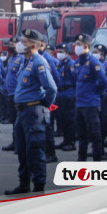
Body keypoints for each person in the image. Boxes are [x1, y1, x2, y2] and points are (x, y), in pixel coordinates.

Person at [5, 29, 57, 195]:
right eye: (21, 40)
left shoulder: (38, 62)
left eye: (24, 42)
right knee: (22, 149)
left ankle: (39, 187)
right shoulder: (24, 61)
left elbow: (52, 88)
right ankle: (24, 184)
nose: (20, 44)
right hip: (22, 112)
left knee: (35, 150)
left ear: (33, 45)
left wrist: (43, 106)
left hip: (34, 111)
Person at [74, 34, 107, 161]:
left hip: (90, 104)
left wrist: (95, 93)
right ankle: (81, 161)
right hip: (80, 104)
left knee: (95, 135)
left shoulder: (94, 62)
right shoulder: (78, 62)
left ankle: (97, 162)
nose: (76, 47)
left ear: (86, 46)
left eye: (78, 44)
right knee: (81, 135)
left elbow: (103, 81)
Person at [39, 35, 60, 163]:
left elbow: (56, 79)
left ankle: (51, 153)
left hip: (47, 97)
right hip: (40, 97)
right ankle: (45, 151)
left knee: (47, 126)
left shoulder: (46, 58)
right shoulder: (37, 57)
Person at [2, 37, 24, 152]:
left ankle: (20, 144)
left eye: (14, 43)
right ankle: (15, 142)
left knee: (19, 121)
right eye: (10, 43)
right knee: (13, 120)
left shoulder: (22, 58)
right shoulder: (11, 59)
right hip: (10, 93)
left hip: (17, 94)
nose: (11, 45)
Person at [54, 43, 77, 152]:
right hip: (60, 94)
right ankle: (65, 140)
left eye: (61, 52)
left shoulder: (71, 64)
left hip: (69, 93)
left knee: (69, 120)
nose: (59, 54)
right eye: (58, 51)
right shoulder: (61, 63)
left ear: (67, 53)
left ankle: (71, 142)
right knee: (61, 119)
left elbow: (75, 80)